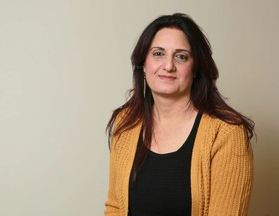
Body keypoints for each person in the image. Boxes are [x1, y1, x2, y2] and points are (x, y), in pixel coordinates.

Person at [104, 13, 254, 216]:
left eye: (181, 56)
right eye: (158, 53)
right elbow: (114, 207)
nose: (168, 66)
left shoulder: (227, 133)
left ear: (195, 68)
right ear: (143, 64)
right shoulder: (126, 122)